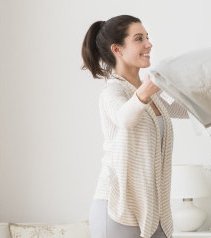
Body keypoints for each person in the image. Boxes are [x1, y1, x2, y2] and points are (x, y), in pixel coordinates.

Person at [81, 15, 189, 238]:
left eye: (147, 37)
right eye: (139, 39)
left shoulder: (153, 94)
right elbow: (124, 119)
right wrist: (145, 91)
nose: (149, 44)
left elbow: (187, 110)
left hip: (153, 210)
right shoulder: (113, 91)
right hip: (117, 208)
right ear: (117, 50)